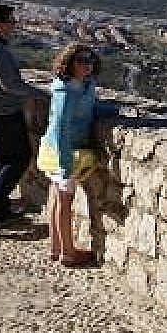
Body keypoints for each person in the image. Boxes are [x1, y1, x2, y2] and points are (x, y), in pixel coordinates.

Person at [38, 44, 118, 267]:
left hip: (57, 149)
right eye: (81, 60)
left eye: (90, 60)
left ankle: (56, 247)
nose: (87, 65)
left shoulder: (83, 86)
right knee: (64, 200)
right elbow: (62, 128)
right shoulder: (66, 91)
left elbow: (89, 109)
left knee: (56, 197)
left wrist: (112, 111)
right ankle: (68, 253)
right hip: (64, 151)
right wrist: (65, 164)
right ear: (69, 63)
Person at [0, 4, 47, 235]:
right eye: (10, 20)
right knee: (19, 158)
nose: (14, 24)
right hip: (2, 112)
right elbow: (11, 85)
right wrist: (41, 94)